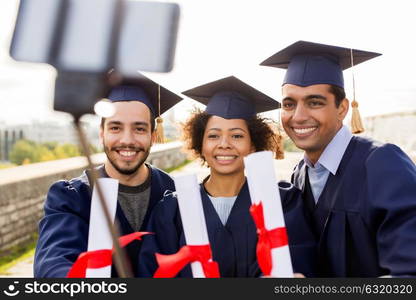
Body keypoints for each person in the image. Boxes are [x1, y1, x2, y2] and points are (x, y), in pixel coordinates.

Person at [260, 40, 416, 277]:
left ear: (342, 108)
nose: (298, 116)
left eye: (314, 102)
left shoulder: (383, 163)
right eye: (289, 104)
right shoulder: (299, 174)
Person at [138, 76, 316, 277]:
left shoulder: (281, 203)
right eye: (213, 135)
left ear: (253, 145)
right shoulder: (172, 210)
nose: (224, 144)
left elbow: (299, 265)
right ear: (201, 144)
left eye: (237, 135)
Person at [34, 74, 182, 277]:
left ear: (153, 137)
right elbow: (54, 261)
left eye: (139, 128)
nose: (127, 139)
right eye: (115, 127)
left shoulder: (176, 193)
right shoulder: (72, 197)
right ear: (102, 133)